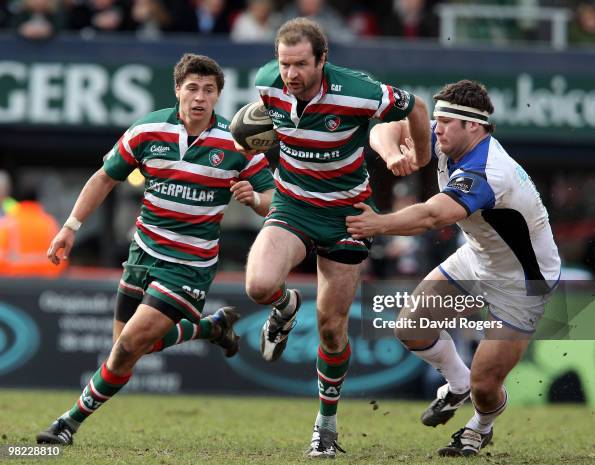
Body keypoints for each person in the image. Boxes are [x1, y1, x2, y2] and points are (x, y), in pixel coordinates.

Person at [36, 53, 275, 445]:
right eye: (193, 88)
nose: (200, 97)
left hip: (189, 266)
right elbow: (103, 178)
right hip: (143, 253)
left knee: (130, 345)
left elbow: (273, 199)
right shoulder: (147, 129)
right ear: (178, 89)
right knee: (124, 350)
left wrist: (254, 200)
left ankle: (67, 423)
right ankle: (210, 327)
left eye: (209, 90)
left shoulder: (237, 143)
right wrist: (69, 227)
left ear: (218, 96)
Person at [242, 17, 431, 457]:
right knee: (259, 285)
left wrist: (419, 158)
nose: (291, 74)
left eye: (301, 65)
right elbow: (263, 128)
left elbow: (415, 108)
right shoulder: (265, 83)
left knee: (331, 328)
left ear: (323, 60)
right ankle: (285, 308)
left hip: (348, 215)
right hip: (292, 204)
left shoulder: (358, 91)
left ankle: (325, 425)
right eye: (285, 64)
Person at [346, 79, 561, 457]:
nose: (436, 127)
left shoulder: (488, 171)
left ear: (473, 126)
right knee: (409, 327)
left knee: (486, 385)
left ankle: (480, 426)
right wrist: (392, 152)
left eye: (445, 121)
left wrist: (377, 223)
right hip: (479, 258)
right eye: (437, 119)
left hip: (523, 280)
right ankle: (456, 381)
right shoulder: (449, 138)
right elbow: (384, 128)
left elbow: (432, 216)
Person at [0, 182, 66, 277]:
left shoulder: (8, 224)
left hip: (14, 283)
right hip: (46, 282)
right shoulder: (50, 223)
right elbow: (61, 257)